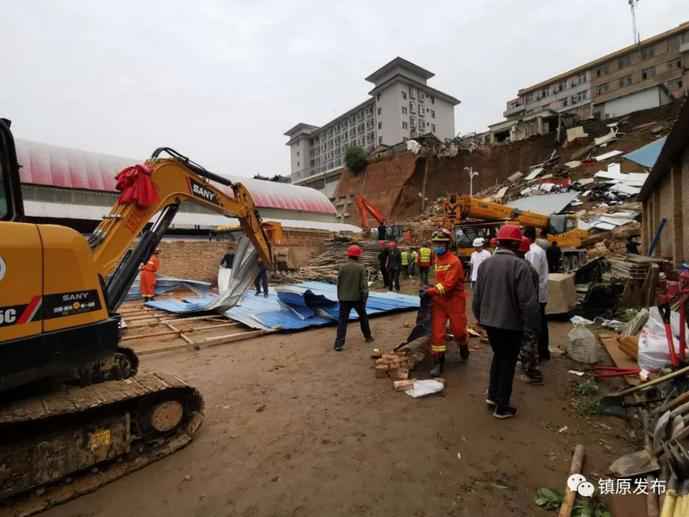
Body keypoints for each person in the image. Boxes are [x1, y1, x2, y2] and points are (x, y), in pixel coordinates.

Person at [473, 225, 539, 419]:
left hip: (490, 322)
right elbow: (528, 302)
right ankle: (502, 407)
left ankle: (493, 396)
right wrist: (532, 326)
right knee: (508, 362)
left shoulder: (486, 264)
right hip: (511, 325)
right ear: (516, 244)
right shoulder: (520, 266)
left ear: (499, 242)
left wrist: (480, 318)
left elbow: (477, 297)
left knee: (498, 356)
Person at [425, 229, 469, 376]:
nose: (437, 246)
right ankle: (438, 362)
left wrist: (430, 291)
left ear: (447, 244)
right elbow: (439, 281)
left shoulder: (454, 261)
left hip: (455, 300)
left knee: (458, 331)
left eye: (440, 243)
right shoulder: (437, 259)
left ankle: (463, 344)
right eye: (435, 243)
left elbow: (448, 285)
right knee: (437, 333)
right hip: (440, 301)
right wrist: (430, 287)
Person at [334, 245, 374, 351]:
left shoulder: (342, 267)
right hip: (357, 299)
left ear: (348, 255)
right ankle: (368, 337)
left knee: (342, 321)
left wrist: (340, 296)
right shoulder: (360, 268)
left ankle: (339, 344)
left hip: (344, 299)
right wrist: (364, 299)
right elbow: (364, 286)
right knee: (363, 317)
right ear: (358, 256)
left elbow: (338, 284)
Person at [516, 237, 544, 385]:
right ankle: (528, 366)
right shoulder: (525, 266)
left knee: (529, 344)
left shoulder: (524, 268)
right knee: (526, 342)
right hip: (528, 311)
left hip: (528, 312)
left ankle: (534, 374)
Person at [523, 227, 550, 362]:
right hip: (539, 293)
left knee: (536, 325)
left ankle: (540, 352)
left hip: (536, 294)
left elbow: (531, 276)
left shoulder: (532, 252)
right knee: (541, 323)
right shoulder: (537, 250)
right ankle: (543, 351)